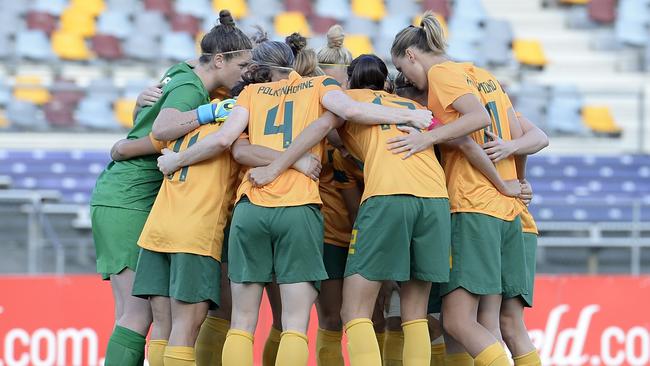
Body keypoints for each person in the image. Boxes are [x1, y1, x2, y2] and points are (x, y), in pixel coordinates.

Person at [154, 38, 433, 366]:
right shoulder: (319, 85)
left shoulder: (249, 94)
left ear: (257, 68)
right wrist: (413, 118)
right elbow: (350, 110)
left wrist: (176, 160)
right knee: (295, 325)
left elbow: (227, 142)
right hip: (299, 208)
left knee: (242, 323)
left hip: (251, 206)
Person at [242, 54, 451, 366]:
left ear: (349, 82)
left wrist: (280, 164)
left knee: (352, 313)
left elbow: (325, 125)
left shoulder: (345, 100)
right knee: (415, 315)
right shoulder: (414, 108)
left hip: (384, 197)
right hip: (436, 198)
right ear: (387, 83)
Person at [90, 10, 252, 366]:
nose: (246, 74)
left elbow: (147, 123)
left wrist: (132, 124)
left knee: (143, 315)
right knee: (136, 315)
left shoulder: (184, 74)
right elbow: (164, 128)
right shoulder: (190, 87)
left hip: (139, 197)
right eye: (242, 66)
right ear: (220, 59)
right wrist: (209, 114)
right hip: (130, 197)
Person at [388, 12, 527, 366]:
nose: (406, 78)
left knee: (457, 321)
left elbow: (473, 125)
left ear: (411, 56)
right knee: (484, 325)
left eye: (403, 69)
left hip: (473, 204)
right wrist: (515, 182)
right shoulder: (481, 76)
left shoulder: (442, 74)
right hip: (502, 210)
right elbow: (521, 137)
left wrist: (428, 137)